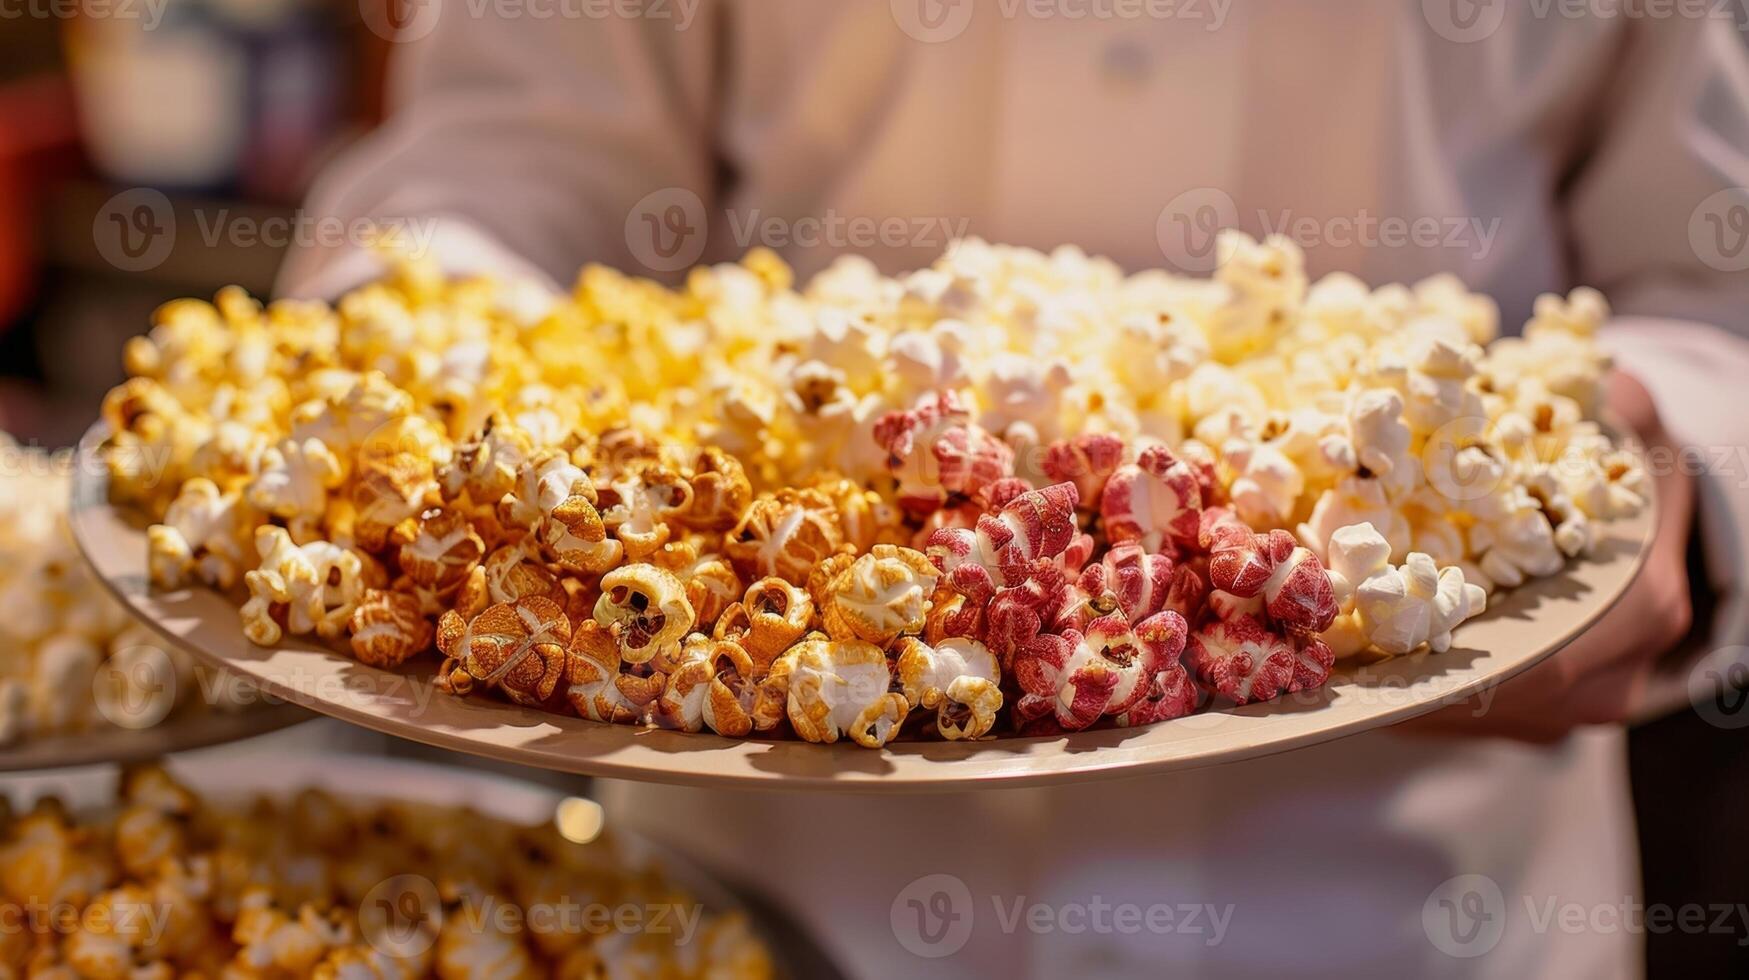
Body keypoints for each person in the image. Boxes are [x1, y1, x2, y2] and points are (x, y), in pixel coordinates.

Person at [280, 5, 1749, 976]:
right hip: (768, 865)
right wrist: (405, 361)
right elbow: (500, 157)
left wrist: (1670, 441)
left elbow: (1717, 274)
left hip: (1408, 890)